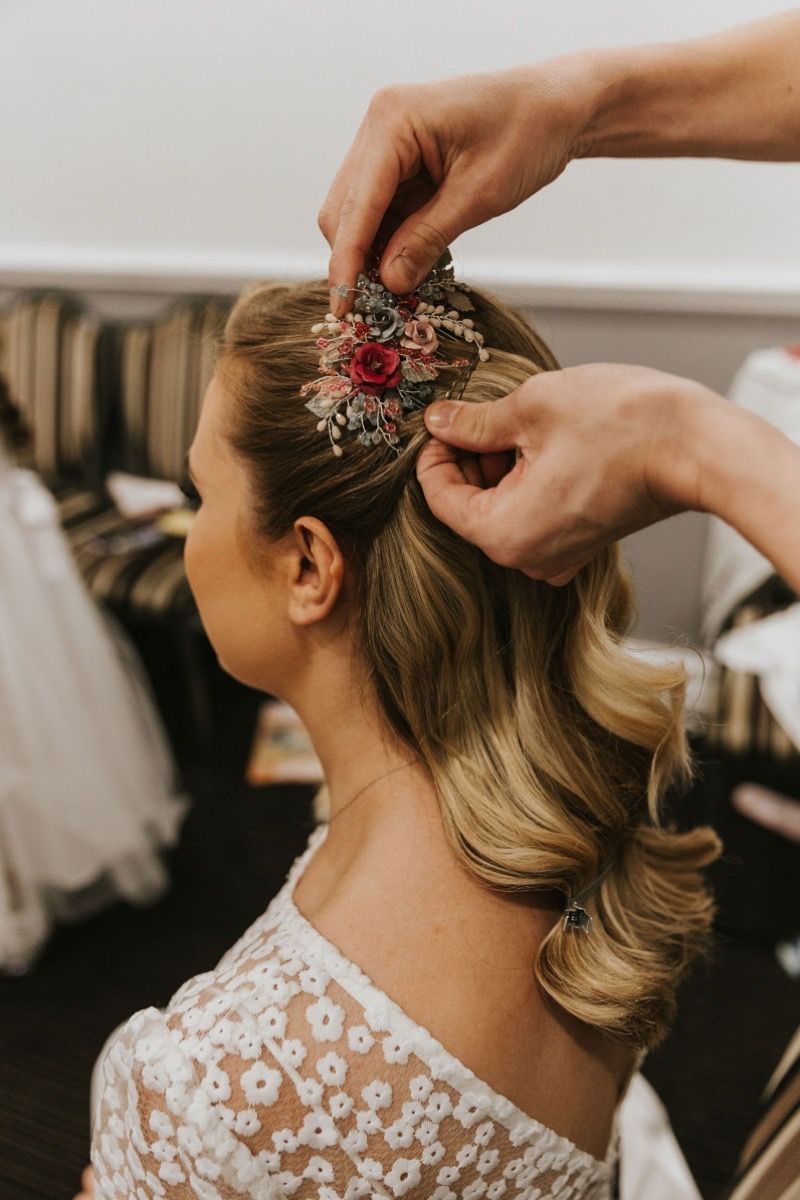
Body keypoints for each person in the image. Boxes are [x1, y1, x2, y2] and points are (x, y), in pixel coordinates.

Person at [82, 263, 720, 1200]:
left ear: (309, 564)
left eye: (201, 492)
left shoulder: (211, 1092)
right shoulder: (569, 822)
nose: (191, 531)